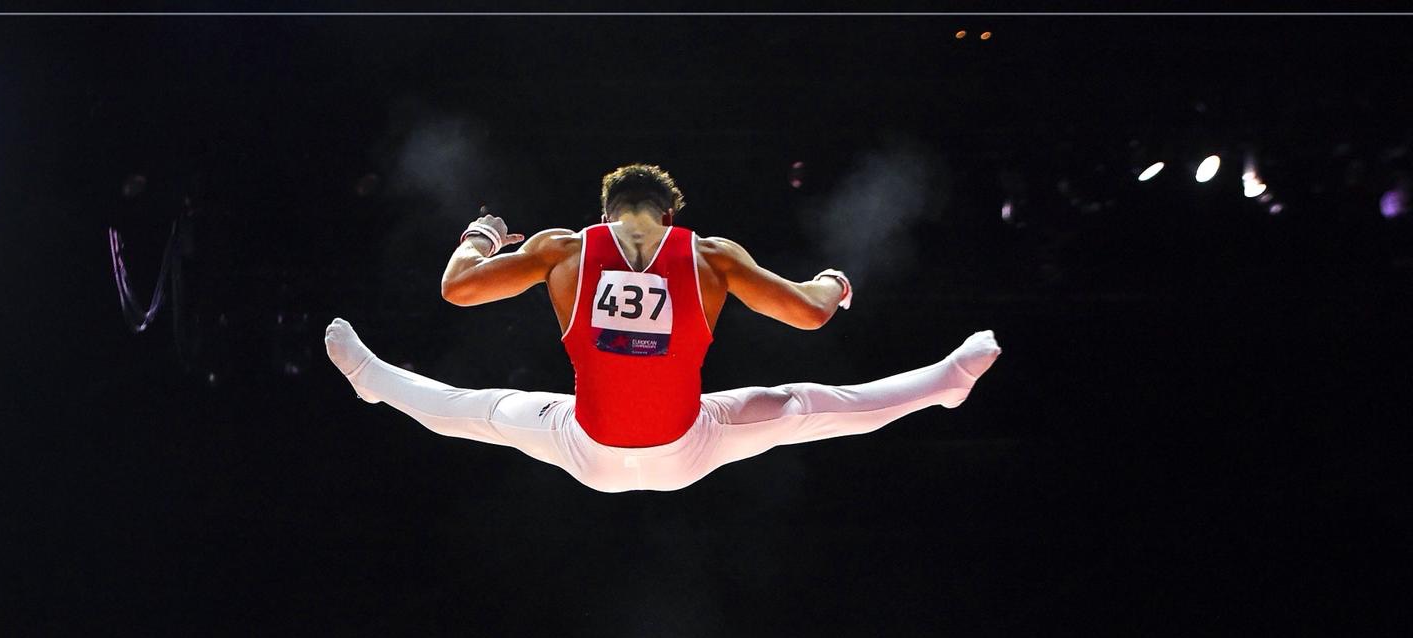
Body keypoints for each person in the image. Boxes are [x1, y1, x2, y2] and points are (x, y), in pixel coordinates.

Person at [325, 162, 1000, 493]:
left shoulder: (564, 250)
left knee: (483, 409)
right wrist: (834, 282)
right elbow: (811, 312)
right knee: (803, 405)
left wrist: (482, 234)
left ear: (606, 213)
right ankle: (945, 384)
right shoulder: (710, 257)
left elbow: (456, 287)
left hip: (588, 447)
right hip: (687, 448)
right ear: (670, 215)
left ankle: (374, 381)